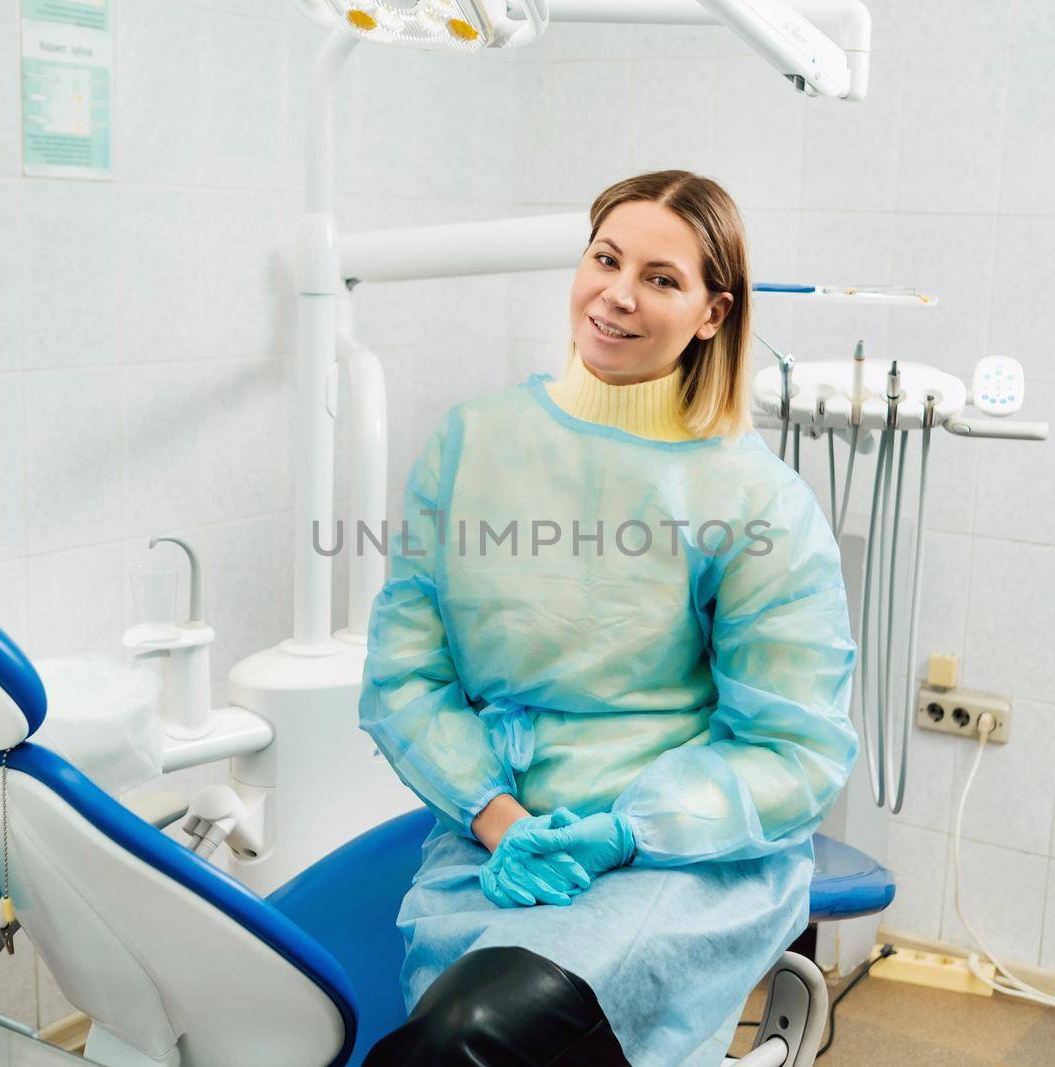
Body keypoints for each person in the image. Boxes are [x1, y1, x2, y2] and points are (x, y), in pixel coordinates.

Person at [358, 170, 858, 1067]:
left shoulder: (754, 501)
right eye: (606, 258)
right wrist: (496, 816)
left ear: (713, 312)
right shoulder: (472, 442)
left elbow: (794, 747)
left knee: (473, 1040)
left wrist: (628, 828)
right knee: (456, 1036)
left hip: (676, 861)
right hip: (496, 843)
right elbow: (406, 678)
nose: (618, 295)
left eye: (662, 279)